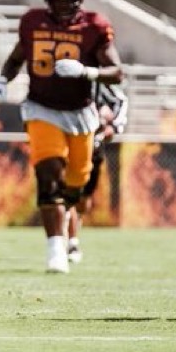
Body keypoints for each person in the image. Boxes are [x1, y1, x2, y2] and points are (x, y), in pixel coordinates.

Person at [0, 0, 124, 274]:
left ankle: (69, 225)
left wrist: (86, 71)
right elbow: (15, 58)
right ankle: (55, 250)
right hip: (41, 108)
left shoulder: (94, 26)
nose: (63, 2)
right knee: (48, 174)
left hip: (80, 112)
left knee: (76, 184)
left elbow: (117, 72)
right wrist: (2, 79)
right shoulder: (32, 22)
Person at [65, 82, 128, 263]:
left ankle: (72, 230)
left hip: (93, 146)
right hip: (67, 141)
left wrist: (114, 126)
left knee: (83, 201)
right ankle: (71, 241)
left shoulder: (96, 81)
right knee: (69, 193)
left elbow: (121, 100)